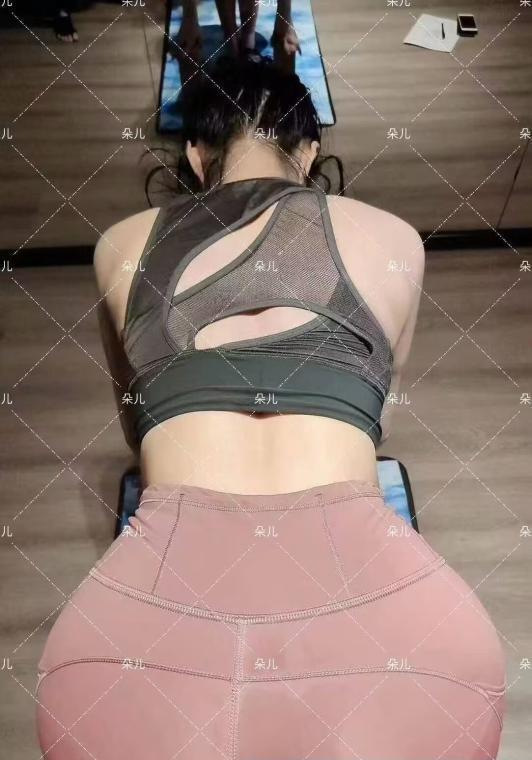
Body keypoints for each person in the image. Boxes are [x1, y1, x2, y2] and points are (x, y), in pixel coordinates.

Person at [35, 55, 506, 759]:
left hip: (141, 642)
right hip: (401, 640)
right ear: (309, 151)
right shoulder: (395, 241)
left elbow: (137, 424)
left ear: (197, 155)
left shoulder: (120, 247)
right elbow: (373, 415)